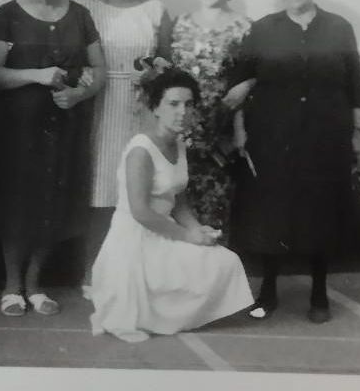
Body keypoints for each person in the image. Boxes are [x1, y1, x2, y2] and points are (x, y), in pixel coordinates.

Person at [228, 0, 360, 324]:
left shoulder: (339, 28)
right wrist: (242, 132)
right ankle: (268, 293)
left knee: (321, 217)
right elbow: (240, 86)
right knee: (273, 217)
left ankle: (319, 294)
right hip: (274, 140)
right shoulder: (263, 30)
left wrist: (356, 133)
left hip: (326, 139)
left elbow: (355, 86)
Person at [0, 0, 106, 317]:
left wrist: (79, 97)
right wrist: (36, 75)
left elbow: (99, 71)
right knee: (17, 205)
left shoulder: (80, 15)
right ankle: (11, 286)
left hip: (65, 126)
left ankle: (36, 284)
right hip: (18, 130)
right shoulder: (6, 15)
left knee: (55, 204)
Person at [89, 68, 254, 343]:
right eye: (173, 104)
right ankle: (152, 308)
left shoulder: (178, 144)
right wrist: (187, 236)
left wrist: (197, 229)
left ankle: (170, 310)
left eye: (189, 105)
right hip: (134, 244)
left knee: (226, 261)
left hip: (165, 233)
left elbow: (178, 199)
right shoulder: (140, 150)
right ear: (155, 107)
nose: (182, 112)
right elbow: (141, 212)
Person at [83, 0, 172, 288]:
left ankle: (136, 274)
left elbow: (168, 60)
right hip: (104, 104)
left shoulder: (156, 10)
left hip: (143, 107)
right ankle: (91, 272)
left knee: (141, 191)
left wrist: (155, 71)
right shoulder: (90, 10)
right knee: (103, 193)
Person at [169, 0, 253, 239]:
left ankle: (213, 281)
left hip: (220, 135)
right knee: (178, 210)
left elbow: (251, 77)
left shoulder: (244, 28)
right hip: (181, 130)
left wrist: (248, 88)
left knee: (216, 210)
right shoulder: (180, 25)